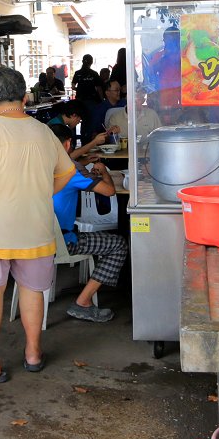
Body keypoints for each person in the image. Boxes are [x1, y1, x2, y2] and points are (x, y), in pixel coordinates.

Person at [0, 67, 75, 383]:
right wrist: (39, 192)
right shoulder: (43, 131)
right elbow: (66, 171)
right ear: (24, 98)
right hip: (36, 226)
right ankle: (33, 354)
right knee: (33, 290)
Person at [49, 124, 128, 323]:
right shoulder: (70, 171)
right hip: (63, 242)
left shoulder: (33, 166)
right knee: (118, 245)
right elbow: (109, 191)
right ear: (68, 144)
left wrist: (81, 161)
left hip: (36, 240)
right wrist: (103, 171)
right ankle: (83, 301)